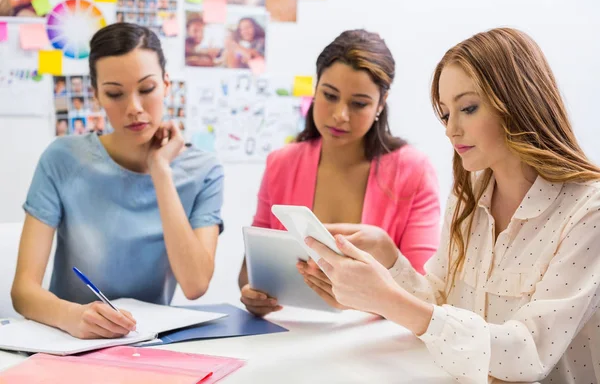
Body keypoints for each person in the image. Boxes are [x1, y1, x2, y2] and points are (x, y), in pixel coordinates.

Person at [304, 27, 600, 383]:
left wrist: (387, 300)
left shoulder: (588, 210)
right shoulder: (469, 195)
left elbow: (528, 353)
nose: (451, 129)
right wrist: (388, 258)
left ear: (520, 102)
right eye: (445, 114)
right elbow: (441, 302)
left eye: (468, 108)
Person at [11, 23, 225, 340]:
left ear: (167, 84)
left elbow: (195, 285)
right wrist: (72, 316)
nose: (134, 108)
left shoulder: (204, 171)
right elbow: (22, 291)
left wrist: (161, 171)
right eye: (115, 94)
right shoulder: (62, 158)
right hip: (68, 339)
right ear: (96, 95)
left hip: (149, 343)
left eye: (147, 89)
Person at [238, 29, 441, 316]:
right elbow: (249, 274)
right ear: (316, 88)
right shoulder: (281, 163)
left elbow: (427, 297)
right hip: (292, 335)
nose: (339, 115)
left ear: (381, 104)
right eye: (329, 95)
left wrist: (386, 255)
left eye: (358, 104)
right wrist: (254, 296)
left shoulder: (413, 171)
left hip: (376, 344)